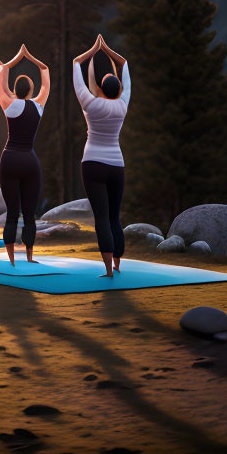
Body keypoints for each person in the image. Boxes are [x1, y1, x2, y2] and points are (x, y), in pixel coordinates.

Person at [74, 34, 132, 277]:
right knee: (114, 217)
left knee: (101, 218)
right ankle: (117, 264)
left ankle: (108, 269)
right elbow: (125, 65)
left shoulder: (91, 104)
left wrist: (92, 50)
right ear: (118, 89)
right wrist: (107, 51)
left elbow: (75, 64)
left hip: (92, 164)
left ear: (98, 89)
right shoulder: (123, 104)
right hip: (116, 165)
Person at [0, 44, 50, 266]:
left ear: (15, 90)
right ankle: (29, 257)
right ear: (31, 90)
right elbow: (46, 74)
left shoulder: (8, 103)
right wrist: (31, 56)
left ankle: (11, 260)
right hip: (29, 161)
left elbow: (0, 76)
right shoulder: (38, 105)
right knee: (29, 215)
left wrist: (16, 57)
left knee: (11, 213)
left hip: (9, 159)